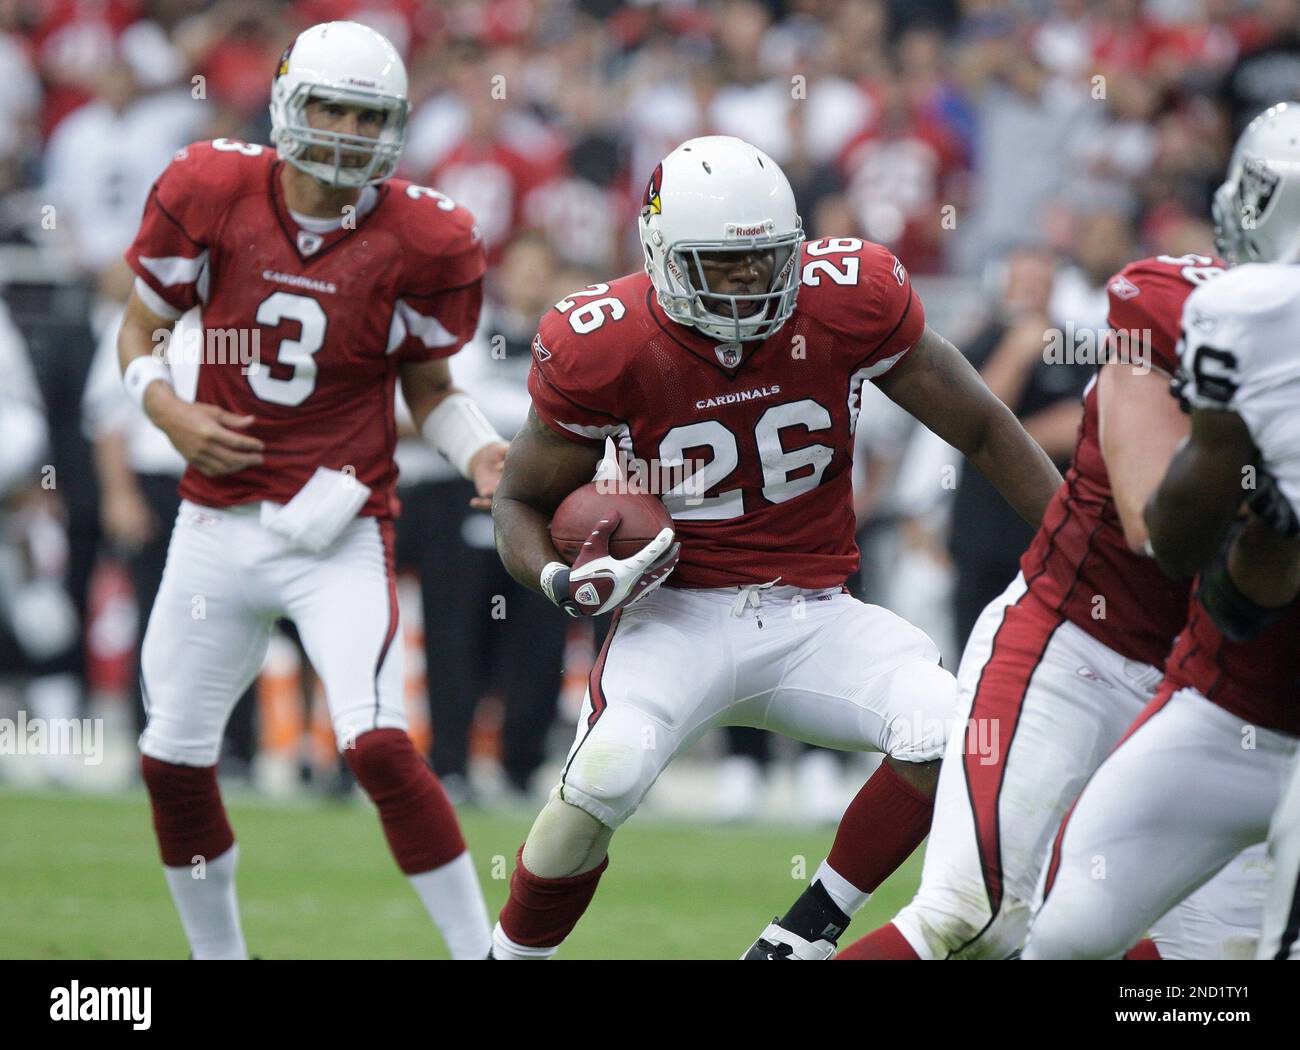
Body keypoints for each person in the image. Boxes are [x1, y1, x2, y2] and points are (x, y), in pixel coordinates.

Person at [487, 135, 1063, 960]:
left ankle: (804, 934)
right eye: (722, 266)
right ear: (661, 258)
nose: (750, 283)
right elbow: (520, 500)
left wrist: (1079, 546)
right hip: (673, 616)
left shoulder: (848, 296)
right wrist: (558, 579)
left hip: (815, 612)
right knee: (604, 775)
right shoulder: (601, 340)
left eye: (764, 260)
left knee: (951, 729)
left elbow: (981, 424)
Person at [118, 21, 505, 960]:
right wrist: (164, 408)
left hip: (338, 529)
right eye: (327, 105)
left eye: (365, 114)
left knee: (376, 745)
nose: (342, 130)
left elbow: (433, 394)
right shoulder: (210, 188)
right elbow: (139, 331)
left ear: (396, 126)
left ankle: (484, 953)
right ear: (289, 102)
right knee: (171, 760)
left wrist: (486, 456)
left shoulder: (426, 235)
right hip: (216, 519)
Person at [1023, 103, 1300, 959]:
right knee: (1064, 936)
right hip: (1227, 705)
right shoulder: (1245, 314)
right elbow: (1195, 560)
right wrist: (1268, 522)